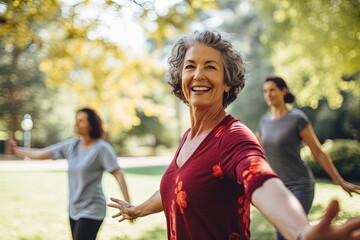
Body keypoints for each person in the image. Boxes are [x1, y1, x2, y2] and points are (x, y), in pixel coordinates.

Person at [107, 30, 360, 240]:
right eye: (190, 66)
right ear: (180, 77)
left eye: (210, 67)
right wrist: (136, 210)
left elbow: (260, 178)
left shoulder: (233, 137)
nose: (198, 75)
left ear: (227, 82)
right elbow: (176, 188)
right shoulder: (188, 138)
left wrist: (301, 231)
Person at [257, 75, 360, 240]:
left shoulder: (297, 119)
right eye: (265, 91)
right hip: (278, 188)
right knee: (284, 232)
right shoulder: (264, 122)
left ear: (284, 91)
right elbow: (256, 151)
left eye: (272, 90)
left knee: (287, 233)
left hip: (300, 185)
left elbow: (318, 152)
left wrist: (340, 181)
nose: (268, 94)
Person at [10, 107, 131, 240]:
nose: (76, 123)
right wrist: (16, 150)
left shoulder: (101, 148)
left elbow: (118, 174)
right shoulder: (71, 146)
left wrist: (128, 205)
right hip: (74, 209)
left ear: (91, 125)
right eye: (76, 120)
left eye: (81, 121)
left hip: (93, 209)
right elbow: (40, 154)